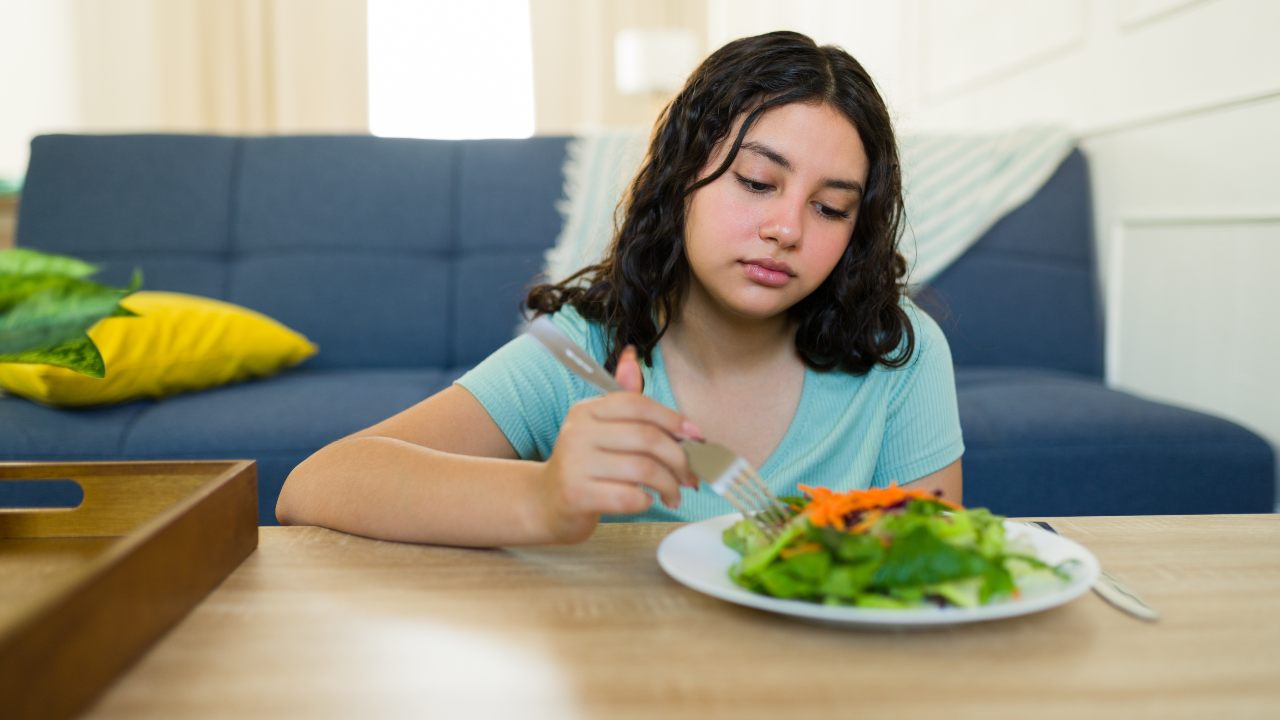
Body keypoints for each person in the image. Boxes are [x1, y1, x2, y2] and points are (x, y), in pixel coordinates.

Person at [276, 30, 964, 547]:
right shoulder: (583, 354)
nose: (787, 228)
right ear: (680, 177)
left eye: (831, 207)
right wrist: (542, 497)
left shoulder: (899, 355)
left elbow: (929, 571)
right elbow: (317, 484)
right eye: (757, 182)